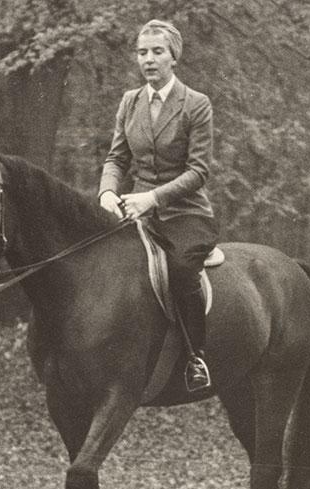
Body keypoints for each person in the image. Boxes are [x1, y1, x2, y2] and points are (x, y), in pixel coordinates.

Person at [98, 19, 217, 393]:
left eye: (157, 52)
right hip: (135, 210)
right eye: (142, 52)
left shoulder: (195, 105)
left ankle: (195, 357)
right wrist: (106, 192)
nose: (148, 60)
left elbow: (199, 171)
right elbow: (117, 158)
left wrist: (153, 197)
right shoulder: (129, 102)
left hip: (185, 212)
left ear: (173, 57)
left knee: (181, 271)